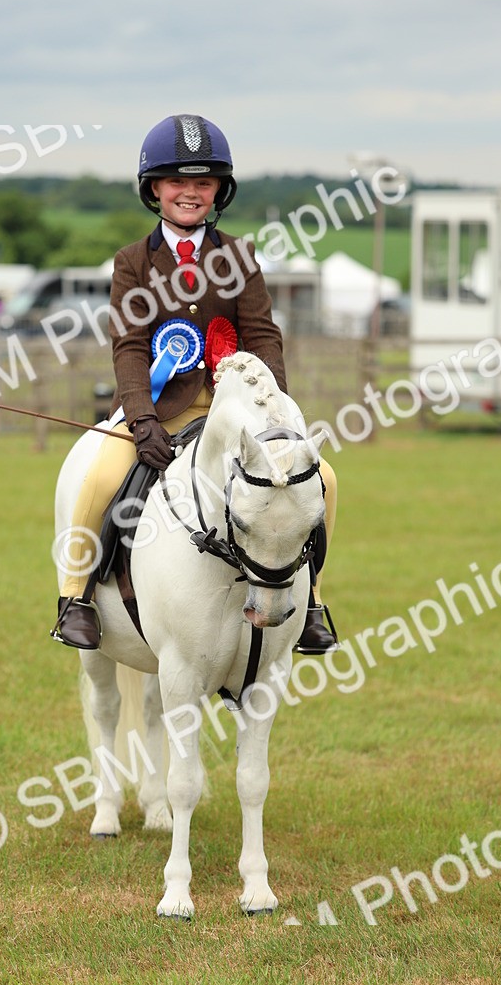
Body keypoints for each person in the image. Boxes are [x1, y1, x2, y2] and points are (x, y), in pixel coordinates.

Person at [52, 113, 337, 653]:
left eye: (202, 182)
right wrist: (140, 420)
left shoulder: (239, 257)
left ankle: (314, 601)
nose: (190, 192)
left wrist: (272, 409)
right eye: (177, 182)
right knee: (99, 476)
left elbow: (262, 334)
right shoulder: (132, 262)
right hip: (160, 408)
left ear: (218, 190)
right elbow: (131, 345)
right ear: (154, 189)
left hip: (234, 414)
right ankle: (77, 595)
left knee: (322, 479)